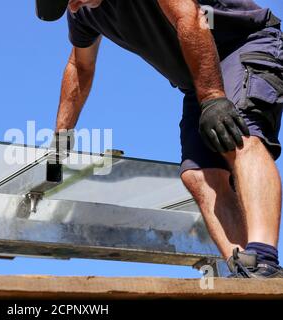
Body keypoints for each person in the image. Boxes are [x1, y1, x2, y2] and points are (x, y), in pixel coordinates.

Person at [36, 0, 283, 278]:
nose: (73, 7)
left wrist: (213, 97)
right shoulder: (81, 13)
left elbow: (189, 19)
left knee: (238, 136)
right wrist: (60, 138)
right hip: (196, 76)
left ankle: (263, 257)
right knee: (198, 174)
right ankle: (243, 270)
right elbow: (80, 66)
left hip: (242, 44)